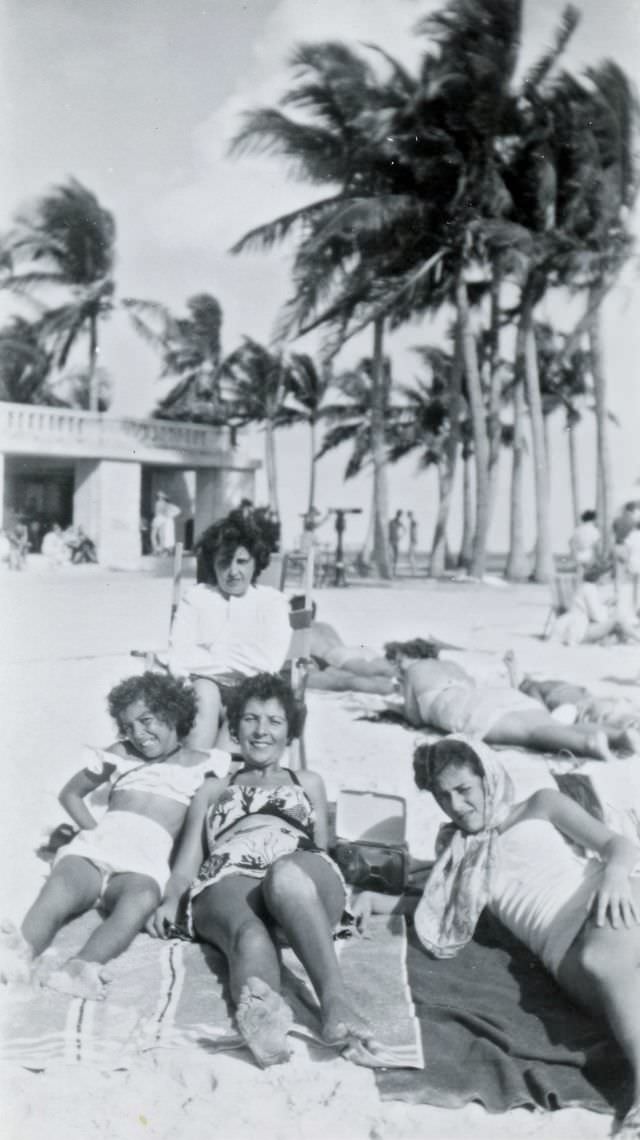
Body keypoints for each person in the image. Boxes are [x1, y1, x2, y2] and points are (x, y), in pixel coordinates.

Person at [353, 735, 640, 1140]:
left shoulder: (539, 805)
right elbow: (442, 906)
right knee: (610, 998)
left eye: (464, 789)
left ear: (486, 777)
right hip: (560, 948)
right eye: (443, 796)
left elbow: (618, 845)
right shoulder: (460, 853)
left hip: (603, 901)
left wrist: (613, 874)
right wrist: (380, 901)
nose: (456, 805)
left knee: (602, 962)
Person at [148, 672, 372, 1067]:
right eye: (250, 719)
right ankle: (263, 1019)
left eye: (274, 721)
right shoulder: (213, 788)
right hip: (230, 873)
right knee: (250, 935)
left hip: (297, 869)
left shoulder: (309, 782)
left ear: (290, 732)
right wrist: (170, 899)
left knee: (287, 876)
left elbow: (322, 851)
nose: (261, 731)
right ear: (233, 727)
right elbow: (186, 866)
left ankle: (335, 1002)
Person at [0, 673, 229, 1000]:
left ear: (174, 712)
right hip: (97, 848)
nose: (138, 734)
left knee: (141, 900)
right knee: (60, 886)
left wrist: (175, 892)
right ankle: (18, 956)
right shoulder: (120, 754)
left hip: (145, 862)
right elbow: (71, 795)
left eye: (146, 720)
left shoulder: (203, 765)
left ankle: (80, 968)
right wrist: (94, 834)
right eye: (129, 726)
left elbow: (198, 831)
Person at [168, 511, 291, 751]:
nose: (233, 571)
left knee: (240, 708)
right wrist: (235, 661)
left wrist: (209, 658)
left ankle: (209, 774)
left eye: (242, 562)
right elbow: (180, 657)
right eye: (224, 562)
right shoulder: (197, 598)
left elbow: (268, 662)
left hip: (252, 692)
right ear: (213, 565)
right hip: (201, 692)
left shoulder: (272, 602)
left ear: (256, 562)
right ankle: (193, 769)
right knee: (205, 691)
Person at [389, 638, 618, 761]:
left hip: (463, 707)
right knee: (550, 724)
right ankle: (618, 735)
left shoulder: (413, 671)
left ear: (415, 655)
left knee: (531, 735)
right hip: (492, 696)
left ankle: (588, 744)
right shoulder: (453, 666)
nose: (398, 666)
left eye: (400, 660)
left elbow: (414, 719)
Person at [503, 650, 640, 755]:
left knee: (610, 719)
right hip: (581, 702)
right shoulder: (543, 690)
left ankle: (517, 678)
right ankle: (516, 678)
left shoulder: (536, 688)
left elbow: (540, 712)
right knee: (614, 719)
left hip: (578, 702)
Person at [554, 561, 640, 646]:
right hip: (580, 632)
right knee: (617, 620)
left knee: (617, 621)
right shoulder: (590, 589)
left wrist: (606, 606)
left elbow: (592, 612)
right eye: (607, 576)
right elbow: (598, 617)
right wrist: (608, 608)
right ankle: (635, 638)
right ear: (599, 576)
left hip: (579, 628)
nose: (608, 579)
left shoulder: (586, 587)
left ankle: (622, 639)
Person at [151, 491, 180, 555]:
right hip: (159, 519)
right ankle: (158, 549)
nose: (159, 497)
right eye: (158, 496)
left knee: (164, 535)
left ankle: (164, 549)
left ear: (163, 497)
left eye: (161, 496)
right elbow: (157, 513)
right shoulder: (158, 503)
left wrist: (169, 514)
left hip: (163, 520)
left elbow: (177, 510)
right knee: (158, 535)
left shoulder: (166, 504)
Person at [388, 510, 404, 576]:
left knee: (395, 556)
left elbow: (405, 530)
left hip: (395, 540)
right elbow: (387, 529)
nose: (399, 516)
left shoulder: (398, 522)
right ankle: (392, 570)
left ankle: (393, 571)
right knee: (391, 555)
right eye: (399, 515)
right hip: (391, 540)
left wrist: (400, 537)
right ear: (397, 514)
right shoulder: (391, 522)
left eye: (400, 515)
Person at [406, 510, 418, 575]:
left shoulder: (413, 522)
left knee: (410, 556)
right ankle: (413, 570)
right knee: (411, 556)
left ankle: (414, 571)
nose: (407, 517)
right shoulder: (412, 522)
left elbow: (414, 532)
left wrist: (414, 540)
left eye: (408, 515)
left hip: (413, 541)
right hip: (413, 540)